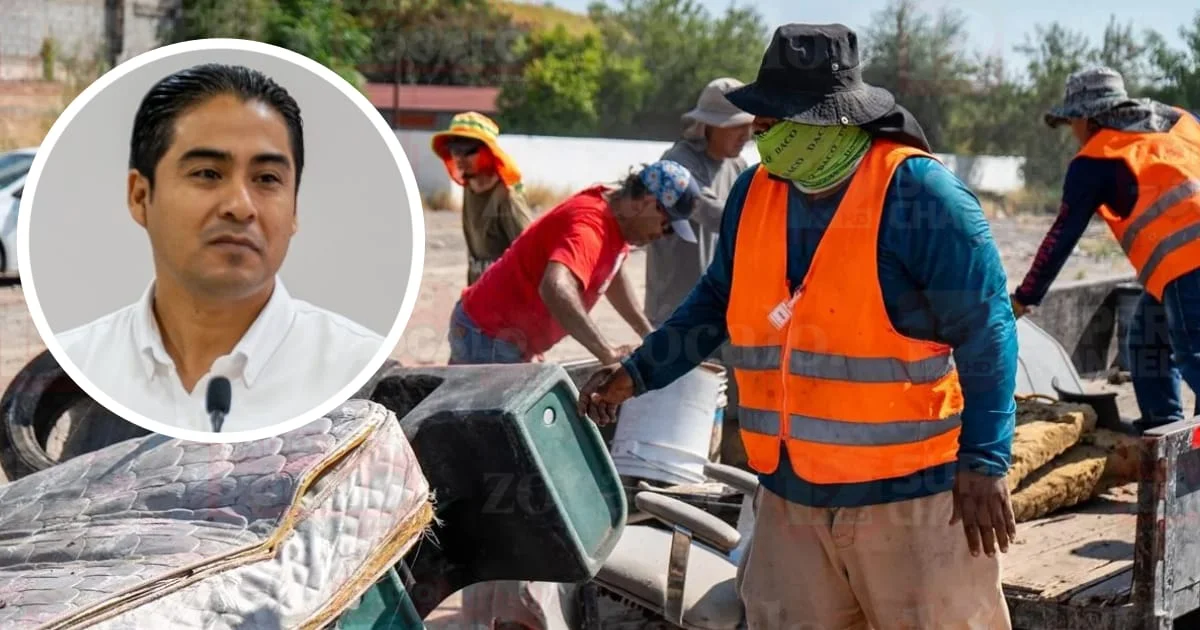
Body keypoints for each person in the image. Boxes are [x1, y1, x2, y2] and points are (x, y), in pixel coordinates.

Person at [579, 23, 1018, 629]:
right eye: (759, 124)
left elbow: (987, 329)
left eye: (774, 123)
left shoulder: (923, 196)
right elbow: (714, 302)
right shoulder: (755, 194)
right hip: (790, 502)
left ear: (831, 120)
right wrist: (637, 373)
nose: (761, 138)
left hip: (910, 504)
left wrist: (985, 462)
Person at [56, 63, 385, 434]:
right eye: (208, 174)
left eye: (266, 179)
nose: (240, 206)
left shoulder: (362, 378)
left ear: (294, 210)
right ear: (140, 196)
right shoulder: (74, 370)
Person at [1012, 66, 1200, 434]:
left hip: (1188, 262)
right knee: (1147, 335)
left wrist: (1024, 299)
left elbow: (1061, 237)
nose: (1073, 135)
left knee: (1194, 355)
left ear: (1088, 118)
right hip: (1178, 269)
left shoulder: (1096, 158)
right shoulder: (1182, 120)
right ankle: (1161, 429)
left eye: (1072, 125)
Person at [446, 159, 701, 367]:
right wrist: (607, 353)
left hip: (494, 331)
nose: (661, 236)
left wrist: (647, 333)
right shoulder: (589, 228)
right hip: (488, 335)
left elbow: (611, 271)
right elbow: (555, 288)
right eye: (666, 226)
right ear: (647, 203)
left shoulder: (616, 216)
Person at [644, 77, 752, 328]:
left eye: (748, 125)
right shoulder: (675, 165)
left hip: (716, 305)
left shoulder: (737, 166)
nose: (745, 135)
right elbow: (713, 214)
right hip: (674, 309)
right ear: (709, 126)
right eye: (736, 126)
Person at [431, 111, 534, 285]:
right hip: (478, 293)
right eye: (454, 150)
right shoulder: (470, 188)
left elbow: (532, 250)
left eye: (468, 150)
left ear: (489, 153)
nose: (459, 158)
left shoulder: (507, 196)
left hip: (505, 296)